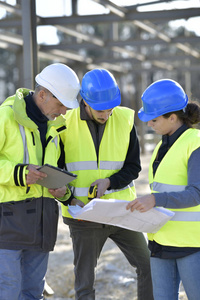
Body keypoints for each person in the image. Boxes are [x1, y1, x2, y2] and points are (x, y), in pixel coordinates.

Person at [60, 68, 154, 300]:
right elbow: (56, 168)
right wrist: (68, 198)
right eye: (101, 110)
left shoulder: (124, 119)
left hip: (121, 211)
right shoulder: (64, 122)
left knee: (149, 265)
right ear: (85, 102)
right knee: (84, 281)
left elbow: (133, 167)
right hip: (83, 214)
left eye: (110, 108)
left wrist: (110, 181)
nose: (106, 114)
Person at [0, 63, 80, 300]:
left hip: (42, 224)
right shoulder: (5, 116)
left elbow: (59, 169)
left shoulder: (56, 127)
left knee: (34, 292)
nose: (64, 110)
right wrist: (18, 173)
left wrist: (64, 191)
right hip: (8, 224)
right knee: (8, 289)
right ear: (43, 94)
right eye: (61, 103)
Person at [126, 79, 200, 300]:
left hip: (191, 245)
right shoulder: (161, 146)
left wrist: (156, 200)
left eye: (154, 119)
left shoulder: (195, 143)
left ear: (173, 117)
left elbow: (196, 193)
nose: (149, 124)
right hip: (160, 242)